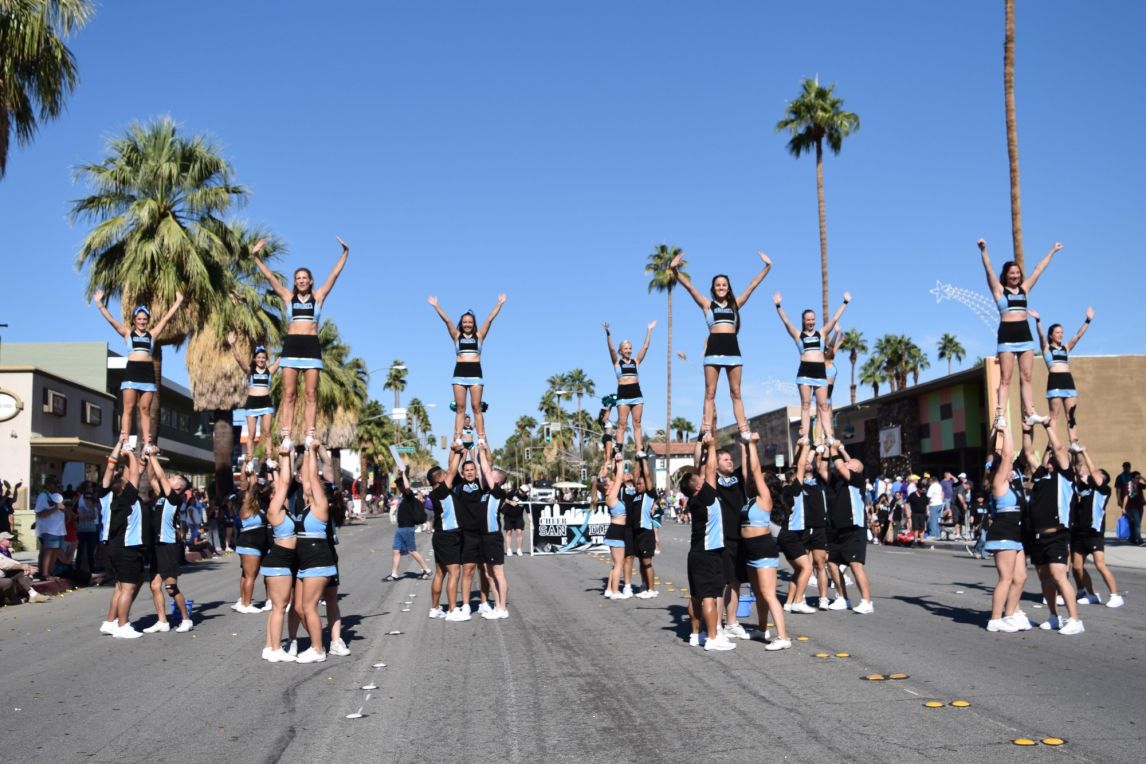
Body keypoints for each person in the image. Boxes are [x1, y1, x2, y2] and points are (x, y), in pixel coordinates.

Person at [253, 236, 350, 451]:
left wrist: (345, 253)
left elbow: (334, 275)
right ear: (295, 281)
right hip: (292, 346)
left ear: (311, 281)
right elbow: (269, 277)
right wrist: (256, 256)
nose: (301, 280)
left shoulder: (319, 297)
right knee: (289, 394)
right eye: (298, 278)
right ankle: (286, 435)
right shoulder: (288, 297)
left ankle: (309, 434)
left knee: (311, 394)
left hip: (311, 347)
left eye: (305, 277)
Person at [672, 250, 773, 440]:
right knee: (710, 393)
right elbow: (689, 287)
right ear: (713, 288)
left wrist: (767, 267)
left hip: (733, 350)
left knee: (736, 392)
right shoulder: (706, 304)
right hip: (714, 349)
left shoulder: (735, 304)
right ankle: (707, 430)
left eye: (724, 285)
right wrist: (675, 270)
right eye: (718, 285)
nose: (721, 287)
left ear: (728, 288)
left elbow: (752, 286)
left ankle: (744, 430)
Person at [977, 238, 1063, 428]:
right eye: (1012, 273)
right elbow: (989, 270)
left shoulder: (1024, 289)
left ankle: (1030, 412)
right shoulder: (999, 291)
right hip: (1007, 336)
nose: (1015, 276)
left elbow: (1039, 270)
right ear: (1006, 275)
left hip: (1025, 335)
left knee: (1027, 376)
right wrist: (984, 250)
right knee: (1006, 378)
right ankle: (1000, 415)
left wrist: (1052, 251)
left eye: (1017, 273)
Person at [94, 290, 184, 453]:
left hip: (147, 374)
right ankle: (125, 440)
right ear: (134, 320)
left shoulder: (152, 334)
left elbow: (166, 319)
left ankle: (147, 443)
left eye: (145, 319)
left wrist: (178, 302)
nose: (142, 322)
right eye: (139, 319)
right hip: (132, 372)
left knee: (144, 409)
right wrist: (100, 304)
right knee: (128, 408)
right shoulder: (128, 334)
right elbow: (112, 321)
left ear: (148, 320)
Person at [1025, 420, 1084, 635]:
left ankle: (1075, 620)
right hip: (1038, 537)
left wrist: (1048, 426)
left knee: (1059, 575)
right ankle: (1053, 616)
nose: (1050, 456)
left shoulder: (1066, 475)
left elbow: (1059, 448)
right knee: (1044, 578)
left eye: (1052, 454)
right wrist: (1026, 429)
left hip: (1058, 535)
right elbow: (1028, 452)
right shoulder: (1040, 476)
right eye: (1047, 454)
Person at [773, 290, 851, 448]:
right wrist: (779, 306)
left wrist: (845, 302)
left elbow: (835, 318)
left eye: (813, 319)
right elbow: (786, 322)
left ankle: (829, 436)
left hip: (820, 373)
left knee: (823, 406)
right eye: (808, 319)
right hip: (805, 373)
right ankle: (805, 436)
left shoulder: (821, 333)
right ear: (803, 320)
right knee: (806, 405)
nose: (811, 322)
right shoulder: (798, 335)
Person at [428, 294, 507, 448]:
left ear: (473, 323)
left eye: (470, 322)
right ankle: (457, 438)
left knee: (477, 407)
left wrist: (499, 303)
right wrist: (436, 306)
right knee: (460, 408)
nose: (467, 324)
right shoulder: (456, 336)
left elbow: (490, 319)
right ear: (461, 323)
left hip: (476, 373)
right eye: (464, 322)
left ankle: (482, 438)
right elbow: (447, 321)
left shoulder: (479, 336)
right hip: (459, 373)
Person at [681, 434, 736, 651]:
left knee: (696, 597)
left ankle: (696, 634)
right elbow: (710, 469)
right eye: (700, 480)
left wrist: (704, 448)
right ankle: (713, 638)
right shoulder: (705, 496)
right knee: (710, 598)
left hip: (697, 553)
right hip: (708, 553)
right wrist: (712, 447)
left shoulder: (697, 499)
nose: (704, 479)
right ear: (696, 487)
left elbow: (703, 468)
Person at [740, 435, 791, 649]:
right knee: (758, 592)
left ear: (766, 485)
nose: (755, 479)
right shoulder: (751, 499)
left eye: (761, 478)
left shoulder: (764, 499)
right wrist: (744, 447)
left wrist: (752, 445)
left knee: (769, 594)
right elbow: (747, 472)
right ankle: (762, 628)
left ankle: (783, 637)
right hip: (750, 550)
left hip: (763, 548)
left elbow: (754, 470)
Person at [289, 441, 337, 662]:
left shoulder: (320, 506)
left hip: (318, 557)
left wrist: (313, 452)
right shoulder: (307, 505)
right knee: (299, 607)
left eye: (313, 487)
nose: (308, 487)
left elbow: (312, 479)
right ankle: (317, 642)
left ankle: (318, 650)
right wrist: (307, 452)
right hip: (304, 560)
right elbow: (307, 480)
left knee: (309, 606)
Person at [982, 425, 1029, 632]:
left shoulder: (1011, 484)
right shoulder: (998, 483)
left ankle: (1010, 615)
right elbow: (1007, 455)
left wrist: (996, 435)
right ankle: (995, 619)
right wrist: (1007, 430)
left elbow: (997, 453)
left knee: (1020, 578)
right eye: (1008, 468)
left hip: (1015, 534)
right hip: (1002, 534)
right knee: (1006, 578)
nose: (1012, 471)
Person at [98, 442, 147, 639]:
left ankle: (110, 622)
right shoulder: (127, 498)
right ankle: (123, 624)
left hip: (111, 546)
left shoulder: (105, 495)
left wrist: (120, 445)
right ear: (125, 489)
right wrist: (130, 453)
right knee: (128, 587)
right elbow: (134, 474)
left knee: (120, 586)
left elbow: (111, 466)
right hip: (126, 547)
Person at [141, 455, 194, 633]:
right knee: (155, 585)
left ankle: (186, 619)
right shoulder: (163, 496)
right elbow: (152, 478)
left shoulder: (174, 498)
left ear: (178, 486)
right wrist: (148, 459)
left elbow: (161, 477)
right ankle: (162, 621)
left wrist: (154, 455)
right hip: (157, 544)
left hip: (168, 545)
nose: (170, 478)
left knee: (171, 587)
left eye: (174, 479)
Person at [1030, 307, 1092, 451]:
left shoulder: (1066, 348)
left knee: (1071, 414)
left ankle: (1074, 442)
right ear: (1051, 335)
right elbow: (1041, 336)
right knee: (1054, 415)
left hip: (1068, 381)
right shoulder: (1046, 348)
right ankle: (1053, 442)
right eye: (1057, 332)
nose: (1061, 335)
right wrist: (1038, 321)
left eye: (1062, 332)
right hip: (1055, 381)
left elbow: (1077, 336)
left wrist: (1088, 320)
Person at [1070, 447, 1123, 608]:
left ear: (1103, 479)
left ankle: (1115, 596)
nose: (1094, 474)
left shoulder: (1104, 490)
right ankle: (1089, 594)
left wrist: (1085, 452)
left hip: (1094, 533)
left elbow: (1092, 471)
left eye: (1099, 474)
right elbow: (1080, 469)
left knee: (1100, 564)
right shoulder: (1085, 489)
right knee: (1077, 566)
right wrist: (1076, 452)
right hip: (1079, 532)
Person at [825, 441, 875, 613]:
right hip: (838, 529)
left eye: (850, 463)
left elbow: (841, 465)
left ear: (854, 469)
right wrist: (840, 449)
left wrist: (832, 446)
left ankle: (867, 601)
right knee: (831, 563)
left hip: (854, 528)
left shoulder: (857, 479)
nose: (847, 462)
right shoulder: (840, 482)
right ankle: (842, 597)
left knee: (855, 564)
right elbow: (845, 464)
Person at [259, 452, 299, 662]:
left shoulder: (283, 509)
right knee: (280, 607)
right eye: (277, 492)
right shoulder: (274, 509)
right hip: (278, 561)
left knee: (277, 607)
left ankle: (269, 646)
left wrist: (288, 458)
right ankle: (275, 649)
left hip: (283, 561)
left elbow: (284, 481)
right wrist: (285, 453)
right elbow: (284, 481)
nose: (283, 493)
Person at [603, 321, 656, 457]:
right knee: (622, 423)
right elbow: (612, 350)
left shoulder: (636, 362)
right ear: (621, 351)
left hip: (636, 394)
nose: (628, 350)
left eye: (630, 348)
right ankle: (618, 450)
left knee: (637, 423)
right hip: (623, 395)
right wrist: (608, 334)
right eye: (626, 348)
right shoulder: (617, 362)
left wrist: (649, 330)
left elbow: (645, 347)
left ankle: (639, 449)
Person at [228, 333, 280, 469]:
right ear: (255, 358)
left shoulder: (270, 371)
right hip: (252, 404)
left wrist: (291, 340)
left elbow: (281, 359)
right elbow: (239, 360)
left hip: (266, 403)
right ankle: (249, 460)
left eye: (263, 357)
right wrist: (232, 345)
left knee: (267, 432)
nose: (261, 360)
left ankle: (269, 458)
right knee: (251, 434)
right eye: (259, 357)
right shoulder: (250, 371)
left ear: (266, 359)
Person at [713, 445, 749, 640]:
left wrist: (744, 444)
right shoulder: (713, 480)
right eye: (725, 459)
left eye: (730, 458)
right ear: (716, 464)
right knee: (721, 583)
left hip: (740, 538)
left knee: (735, 582)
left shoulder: (738, 479)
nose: (729, 461)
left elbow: (746, 465)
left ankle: (731, 623)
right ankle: (716, 625)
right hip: (722, 538)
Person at [427, 447, 466, 621]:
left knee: (440, 573)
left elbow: (452, 470)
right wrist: (457, 452)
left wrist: (461, 454)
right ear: (440, 478)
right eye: (444, 475)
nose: (448, 475)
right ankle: (452, 610)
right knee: (454, 572)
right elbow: (452, 470)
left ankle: (435, 609)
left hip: (441, 535)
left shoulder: (437, 493)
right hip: (448, 536)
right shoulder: (441, 491)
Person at [476, 444, 510, 619]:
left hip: (492, 537)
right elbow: (483, 472)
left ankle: (503, 608)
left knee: (497, 573)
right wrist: (476, 451)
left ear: (497, 481)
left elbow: (486, 471)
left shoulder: (498, 492)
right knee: (488, 574)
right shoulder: (485, 492)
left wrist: (482, 451)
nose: (486, 476)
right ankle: (497, 606)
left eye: (491, 475)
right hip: (482, 537)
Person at [385, 463, 432, 582]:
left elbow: (407, 487)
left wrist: (404, 474)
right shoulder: (404, 498)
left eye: (398, 485)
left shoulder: (409, 497)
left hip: (407, 528)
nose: (398, 487)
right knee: (396, 550)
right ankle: (394, 574)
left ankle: (427, 569)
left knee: (412, 551)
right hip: (401, 528)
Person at [233, 466, 270, 614]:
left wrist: (253, 474)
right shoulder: (245, 507)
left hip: (255, 544)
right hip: (249, 544)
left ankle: (243, 600)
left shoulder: (256, 508)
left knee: (247, 574)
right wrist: (251, 474)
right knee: (250, 575)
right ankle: (246, 604)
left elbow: (254, 491)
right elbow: (252, 489)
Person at [602, 453, 628, 600]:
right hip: (616, 531)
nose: (613, 483)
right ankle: (616, 592)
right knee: (619, 564)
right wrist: (621, 462)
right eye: (610, 483)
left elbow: (615, 477)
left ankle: (609, 589)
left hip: (616, 530)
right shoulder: (611, 496)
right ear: (608, 487)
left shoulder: (610, 496)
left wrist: (614, 462)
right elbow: (618, 478)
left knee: (615, 563)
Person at [0, 532, 50, 604]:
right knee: (8, 581)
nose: (11, 541)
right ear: (1, 541)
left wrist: (27, 568)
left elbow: (11, 562)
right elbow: (5, 564)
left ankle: (33, 595)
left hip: (4, 574)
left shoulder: (6, 551)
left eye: (12, 539)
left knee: (22, 573)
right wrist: (23, 566)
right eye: (9, 539)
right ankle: (10, 599)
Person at [32, 476, 65, 581]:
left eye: (56, 484)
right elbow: (39, 512)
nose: (55, 486)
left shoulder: (55, 496)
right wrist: (56, 508)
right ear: (47, 484)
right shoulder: (43, 495)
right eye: (53, 484)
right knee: (48, 551)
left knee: (55, 551)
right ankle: (45, 574)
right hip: (50, 529)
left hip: (58, 529)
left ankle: (50, 572)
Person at [500, 484, 527, 557]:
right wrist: (510, 502)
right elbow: (504, 498)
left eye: (525, 492)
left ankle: (519, 549)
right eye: (522, 491)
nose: (524, 493)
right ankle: (509, 549)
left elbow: (528, 510)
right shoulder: (513, 492)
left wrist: (531, 521)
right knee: (508, 532)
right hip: (508, 516)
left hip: (519, 517)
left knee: (519, 532)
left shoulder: (526, 497)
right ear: (520, 490)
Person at [925, 473, 944, 541]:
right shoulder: (939, 486)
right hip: (940, 503)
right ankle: (938, 533)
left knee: (932, 520)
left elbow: (928, 496)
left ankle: (933, 534)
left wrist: (927, 504)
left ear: (932, 481)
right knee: (937, 520)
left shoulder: (932, 486)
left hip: (934, 504)